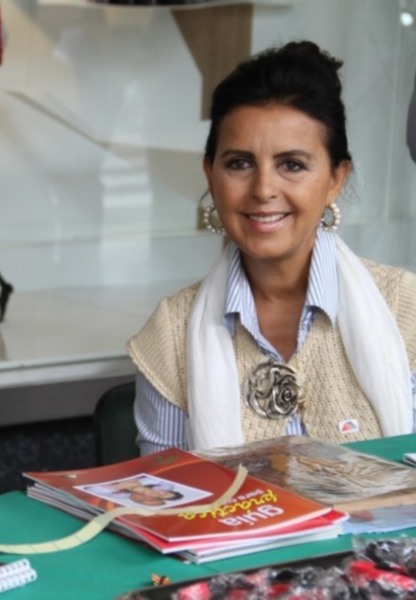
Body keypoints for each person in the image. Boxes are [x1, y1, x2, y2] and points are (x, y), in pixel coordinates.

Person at [128, 41, 416, 455]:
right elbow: (166, 504)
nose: (263, 190)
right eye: (239, 163)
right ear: (210, 175)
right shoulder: (171, 335)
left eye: (292, 165)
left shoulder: (406, 310)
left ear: (336, 178)